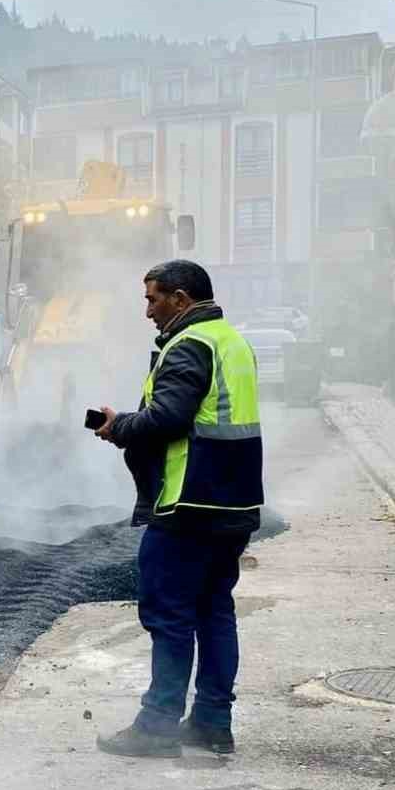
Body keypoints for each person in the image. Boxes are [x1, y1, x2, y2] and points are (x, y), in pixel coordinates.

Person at [92, 259, 264, 758]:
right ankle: (212, 723)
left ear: (181, 299)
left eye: (153, 299)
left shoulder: (189, 345)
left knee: (169, 613)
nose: (147, 310)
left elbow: (167, 419)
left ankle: (158, 725)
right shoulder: (230, 341)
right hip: (234, 501)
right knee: (214, 611)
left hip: (190, 502)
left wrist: (118, 425)